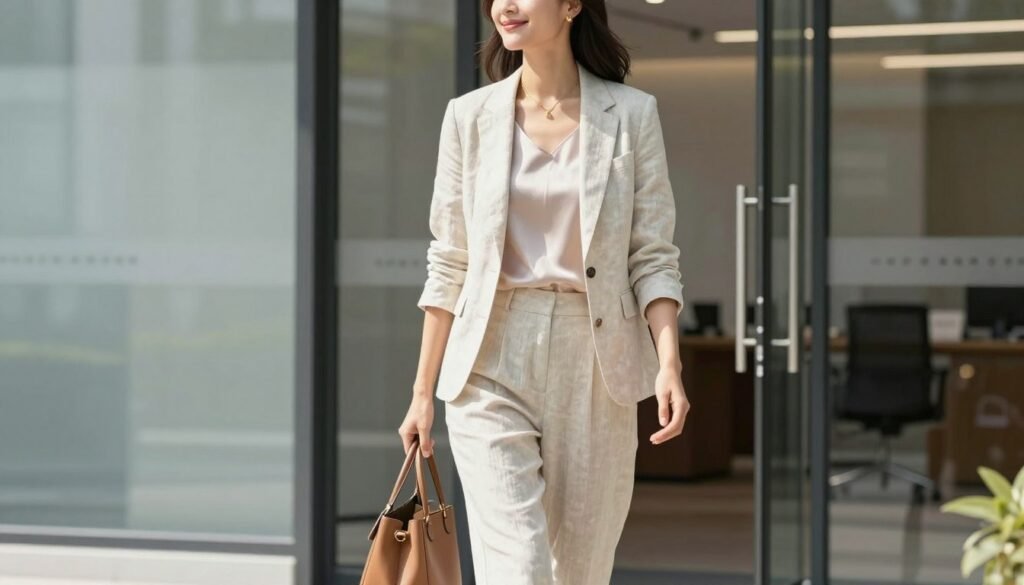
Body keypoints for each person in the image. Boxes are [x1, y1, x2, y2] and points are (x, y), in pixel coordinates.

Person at [399, 1, 691, 583]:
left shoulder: (630, 115)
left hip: (595, 357)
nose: (505, 4)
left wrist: (669, 363)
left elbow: (652, 254)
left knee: (579, 569)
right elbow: (449, 259)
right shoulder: (469, 117)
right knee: (521, 567)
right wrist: (422, 390)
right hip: (490, 355)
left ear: (572, 5)